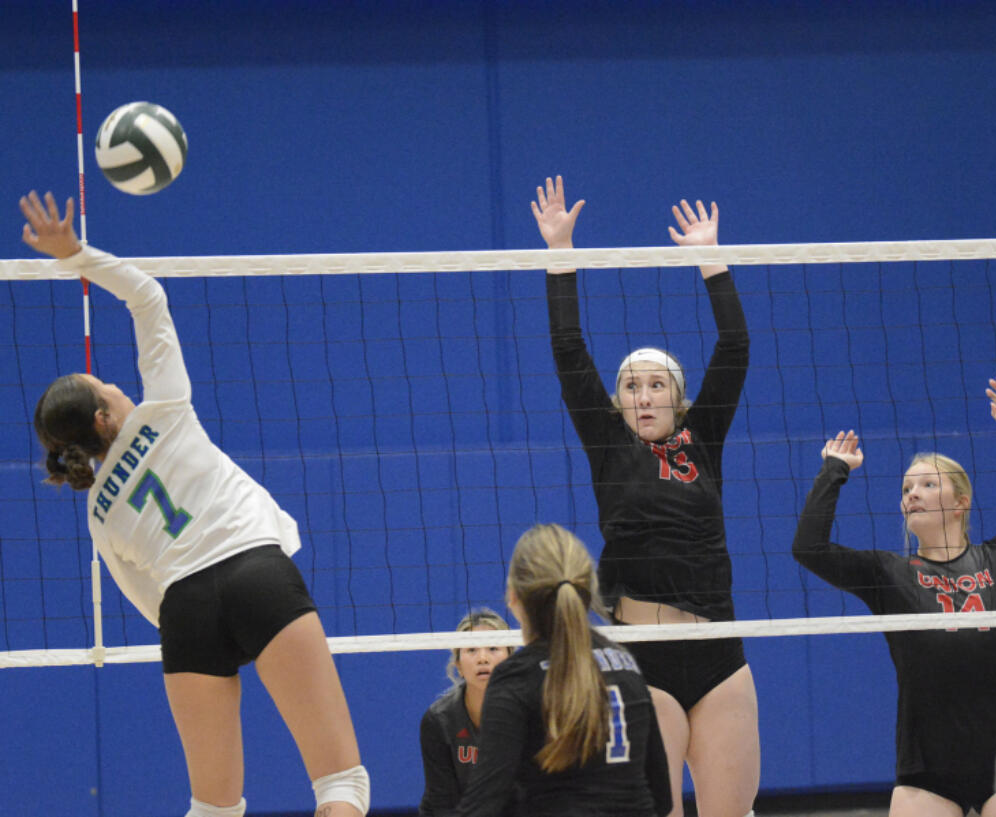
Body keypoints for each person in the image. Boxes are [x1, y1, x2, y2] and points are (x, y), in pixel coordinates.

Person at [20, 191, 369, 817]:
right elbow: (147, 296)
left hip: (185, 611)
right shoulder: (164, 411)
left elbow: (147, 600)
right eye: (104, 383)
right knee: (341, 784)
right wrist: (75, 256)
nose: (115, 381)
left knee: (213, 808)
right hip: (254, 571)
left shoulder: (99, 512)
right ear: (105, 414)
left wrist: (206, 628)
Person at [532, 176, 758, 817]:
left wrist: (709, 258)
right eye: (632, 386)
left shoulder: (702, 440)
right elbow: (569, 350)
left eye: (657, 385)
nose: (644, 395)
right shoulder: (609, 446)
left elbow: (735, 348)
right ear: (619, 402)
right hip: (643, 656)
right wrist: (561, 250)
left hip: (720, 648)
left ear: (678, 398)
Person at [792, 377, 996, 817]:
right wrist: (834, 471)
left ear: (960, 503)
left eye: (926, 485)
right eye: (905, 490)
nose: (912, 495)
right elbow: (809, 548)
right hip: (927, 773)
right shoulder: (888, 574)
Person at [456, 523, 671, 817]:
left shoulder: (518, 677)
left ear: (513, 596)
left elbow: (482, 806)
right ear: (586, 589)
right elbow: (662, 798)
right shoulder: (626, 663)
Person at [419, 609, 514, 817]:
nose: (483, 658)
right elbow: (442, 802)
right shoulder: (438, 721)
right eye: (471, 650)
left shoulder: (531, 714)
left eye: (493, 648)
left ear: (510, 659)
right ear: (459, 665)